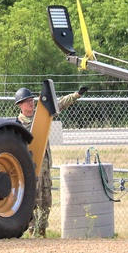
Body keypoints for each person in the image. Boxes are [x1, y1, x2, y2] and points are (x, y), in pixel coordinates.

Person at [15, 85, 86, 237]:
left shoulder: (42, 116)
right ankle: (32, 231)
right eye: (26, 101)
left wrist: (76, 94)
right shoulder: (17, 125)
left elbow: (58, 104)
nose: (30, 103)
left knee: (46, 199)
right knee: (32, 200)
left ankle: (42, 231)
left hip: (45, 167)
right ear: (20, 105)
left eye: (31, 100)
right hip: (30, 169)